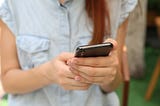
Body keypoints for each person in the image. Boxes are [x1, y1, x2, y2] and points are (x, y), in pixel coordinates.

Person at [0, 0, 137, 106]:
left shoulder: (117, 3)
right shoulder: (12, 4)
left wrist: (109, 75)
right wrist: (47, 74)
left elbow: (113, 83)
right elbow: (8, 82)